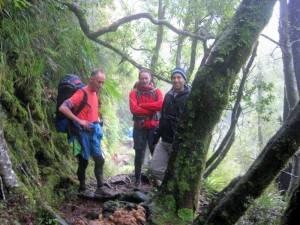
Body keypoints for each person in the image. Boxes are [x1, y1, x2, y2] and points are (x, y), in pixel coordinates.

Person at [59, 69, 111, 195]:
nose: (101, 85)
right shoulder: (81, 93)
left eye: (103, 83)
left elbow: (91, 110)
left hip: (92, 132)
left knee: (99, 160)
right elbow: (63, 107)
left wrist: (97, 120)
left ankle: (100, 188)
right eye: (99, 82)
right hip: (79, 134)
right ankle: (82, 188)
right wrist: (79, 120)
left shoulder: (95, 94)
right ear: (91, 79)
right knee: (83, 162)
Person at [149, 67, 191, 186]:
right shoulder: (168, 95)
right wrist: (156, 137)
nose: (176, 80)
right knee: (155, 168)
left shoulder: (189, 96)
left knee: (178, 170)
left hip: (179, 142)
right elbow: (162, 118)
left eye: (179, 77)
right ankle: (169, 187)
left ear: (184, 79)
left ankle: (170, 190)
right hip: (165, 140)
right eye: (173, 78)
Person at [129, 69, 163, 187]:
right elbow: (134, 109)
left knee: (155, 153)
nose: (144, 81)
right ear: (139, 79)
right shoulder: (134, 93)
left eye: (146, 78)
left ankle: (156, 179)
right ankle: (137, 180)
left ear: (150, 78)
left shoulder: (157, 91)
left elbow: (160, 105)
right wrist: (151, 110)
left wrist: (142, 105)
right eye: (142, 78)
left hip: (154, 128)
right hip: (139, 128)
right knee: (139, 153)